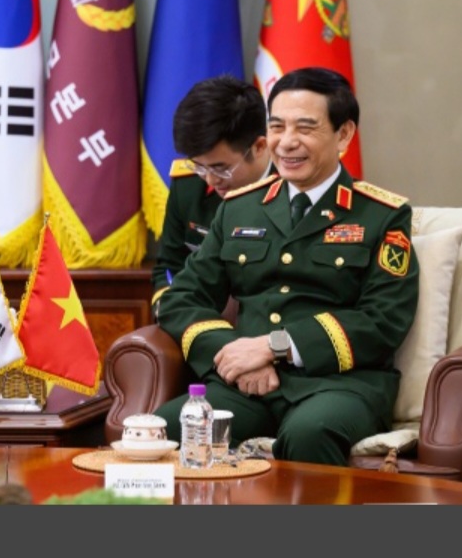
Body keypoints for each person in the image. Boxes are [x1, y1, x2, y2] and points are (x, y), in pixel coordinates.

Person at [153, 66, 419, 467]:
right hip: (247, 388)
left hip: (339, 387)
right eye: (277, 126)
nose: (287, 142)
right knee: (167, 427)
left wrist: (274, 346)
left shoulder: (382, 215)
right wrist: (233, 355)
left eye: (305, 128)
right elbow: (182, 298)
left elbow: (384, 320)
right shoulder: (239, 208)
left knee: (310, 432)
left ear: (344, 134)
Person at [151, 75, 272, 318]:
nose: (209, 179)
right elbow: (170, 266)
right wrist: (170, 310)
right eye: (199, 166)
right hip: (204, 323)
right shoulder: (188, 186)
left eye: (220, 168)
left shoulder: (297, 188)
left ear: (259, 147)